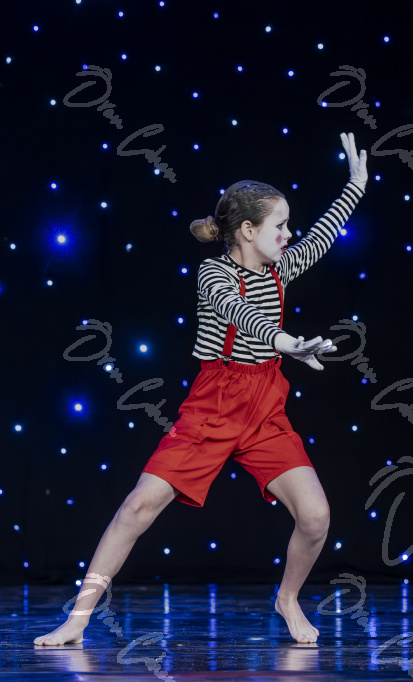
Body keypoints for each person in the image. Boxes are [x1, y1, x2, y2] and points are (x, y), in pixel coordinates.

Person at [34, 132, 369, 646]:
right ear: (249, 230)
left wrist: (356, 184)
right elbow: (241, 314)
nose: (289, 234)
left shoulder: (281, 267)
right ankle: (78, 619)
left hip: (265, 406)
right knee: (137, 508)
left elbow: (324, 234)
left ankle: (287, 598)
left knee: (316, 516)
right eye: (280, 225)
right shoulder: (213, 273)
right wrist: (285, 341)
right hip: (214, 404)